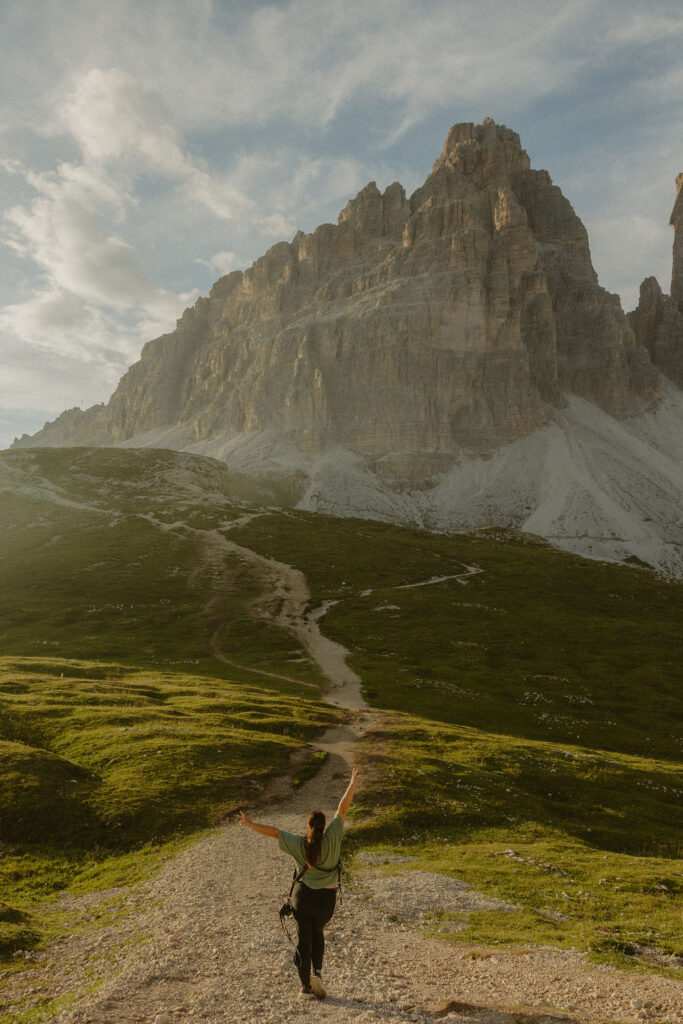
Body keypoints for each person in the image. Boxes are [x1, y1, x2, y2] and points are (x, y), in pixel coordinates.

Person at [238, 766, 360, 1000]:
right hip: (325, 901)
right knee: (318, 933)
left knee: (303, 939)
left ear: (308, 826)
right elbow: (342, 809)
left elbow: (274, 832)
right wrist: (353, 782)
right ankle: (318, 974)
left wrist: (251, 824)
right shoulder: (334, 835)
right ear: (325, 826)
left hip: (302, 899)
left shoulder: (299, 843)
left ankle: (305, 987)